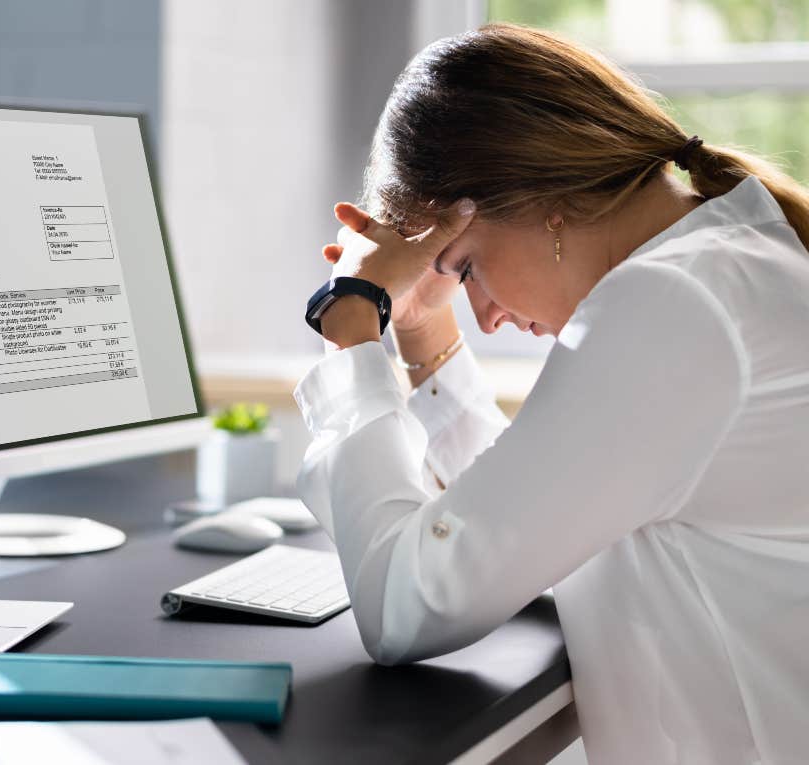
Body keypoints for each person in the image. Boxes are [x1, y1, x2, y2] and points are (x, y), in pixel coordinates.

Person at [296, 23, 809, 764]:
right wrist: (421, 320)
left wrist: (350, 317)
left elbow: (404, 606)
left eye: (465, 267)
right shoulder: (722, 264)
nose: (488, 314)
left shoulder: (673, 304)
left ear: (546, 204)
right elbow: (526, 516)